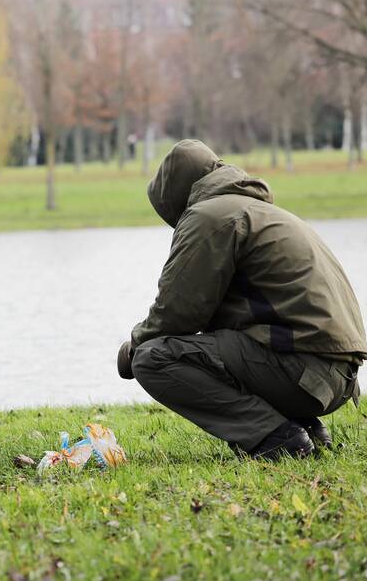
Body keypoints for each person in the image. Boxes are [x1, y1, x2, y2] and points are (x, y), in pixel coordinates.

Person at [118, 140, 366, 459]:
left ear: (172, 194)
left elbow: (178, 313)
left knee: (153, 359)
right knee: (225, 340)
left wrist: (134, 346)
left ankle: (277, 438)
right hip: (337, 376)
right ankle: (306, 428)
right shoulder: (260, 211)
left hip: (304, 372)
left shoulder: (209, 216)